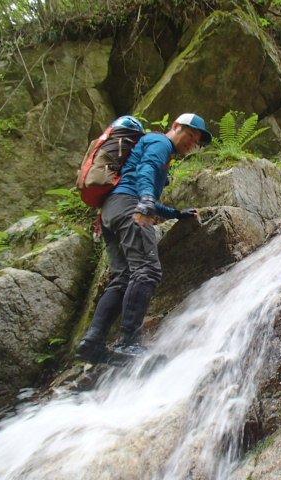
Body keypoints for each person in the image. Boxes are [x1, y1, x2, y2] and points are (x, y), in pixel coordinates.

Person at [76, 113, 213, 363]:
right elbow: (146, 171)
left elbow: (139, 181)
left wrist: (174, 213)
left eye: (196, 141)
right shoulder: (161, 143)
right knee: (147, 270)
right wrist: (147, 199)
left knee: (123, 277)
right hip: (130, 208)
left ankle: (93, 342)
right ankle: (129, 342)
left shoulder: (155, 147)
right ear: (175, 127)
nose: (191, 142)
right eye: (190, 134)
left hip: (111, 212)